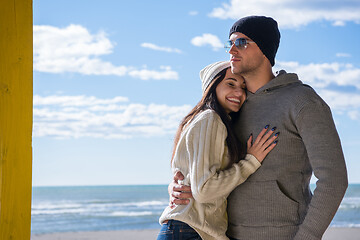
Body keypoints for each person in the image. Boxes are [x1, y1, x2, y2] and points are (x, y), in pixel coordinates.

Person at [169, 16, 348, 240]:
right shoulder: (231, 108)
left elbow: (334, 179)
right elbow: (206, 169)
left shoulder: (303, 101)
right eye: (230, 43)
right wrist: (178, 187)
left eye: (242, 42)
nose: (232, 50)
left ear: (264, 49)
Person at [157, 61, 279, 240]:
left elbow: (190, 179)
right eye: (230, 84)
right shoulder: (210, 119)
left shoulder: (203, 120)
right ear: (212, 86)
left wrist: (173, 187)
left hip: (186, 230)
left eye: (243, 87)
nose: (239, 92)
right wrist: (251, 161)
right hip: (191, 232)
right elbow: (204, 189)